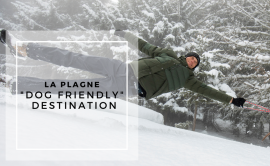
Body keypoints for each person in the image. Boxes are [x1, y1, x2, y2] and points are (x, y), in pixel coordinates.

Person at [0, 29, 246, 107]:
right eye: (192, 57)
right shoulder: (167, 54)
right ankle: (23, 48)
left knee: (70, 88)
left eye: (196, 62)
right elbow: (145, 45)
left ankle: (14, 84)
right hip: (121, 68)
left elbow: (208, 92)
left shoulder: (188, 80)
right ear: (186, 55)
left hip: (128, 88)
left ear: (194, 68)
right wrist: (124, 34)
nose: (193, 61)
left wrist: (231, 100)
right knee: (74, 58)